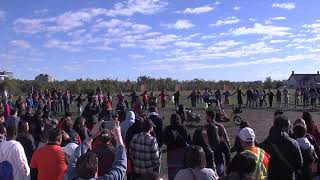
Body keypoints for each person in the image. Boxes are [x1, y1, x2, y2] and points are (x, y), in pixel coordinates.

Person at [260, 115, 303, 180]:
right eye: (289, 126)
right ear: (283, 128)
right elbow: (299, 164)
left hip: (272, 176)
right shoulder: (292, 143)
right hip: (288, 176)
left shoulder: (265, 143)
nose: (290, 127)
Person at [163, 114, 191, 180]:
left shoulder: (167, 129)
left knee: (172, 170)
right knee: (182, 169)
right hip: (182, 152)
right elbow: (188, 140)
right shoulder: (183, 128)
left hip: (171, 152)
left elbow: (164, 140)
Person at [205, 110, 230, 176]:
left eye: (206, 116)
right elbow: (226, 139)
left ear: (209, 117)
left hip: (208, 160)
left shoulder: (206, 128)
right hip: (219, 159)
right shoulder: (220, 126)